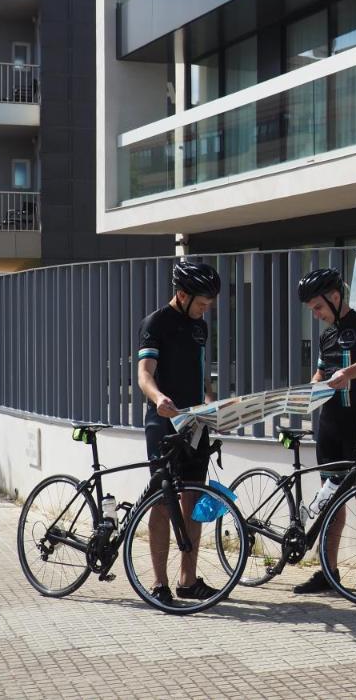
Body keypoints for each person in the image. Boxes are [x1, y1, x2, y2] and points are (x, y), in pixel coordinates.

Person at [293, 267, 356, 599]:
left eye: (317, 307)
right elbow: (319, 373)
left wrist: (348, 372)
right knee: (330, 500)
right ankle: (328, 573)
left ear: (334, 297)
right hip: (329, 425)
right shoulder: (326, 335)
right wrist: (307, 391)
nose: (315, 315)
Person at [135, 258, 221, 605]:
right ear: (182, 295)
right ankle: (159, 584)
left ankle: (188, 580)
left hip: (194, 422)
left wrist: (211, 401)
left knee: (194, 498)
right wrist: (158, 398)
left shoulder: (199, 327)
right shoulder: (156, 323)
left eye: (209, 305)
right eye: (201, 303)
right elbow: (144, 374)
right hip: (164, 421)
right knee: (164, 501)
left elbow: (202, 376)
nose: (205, 310)